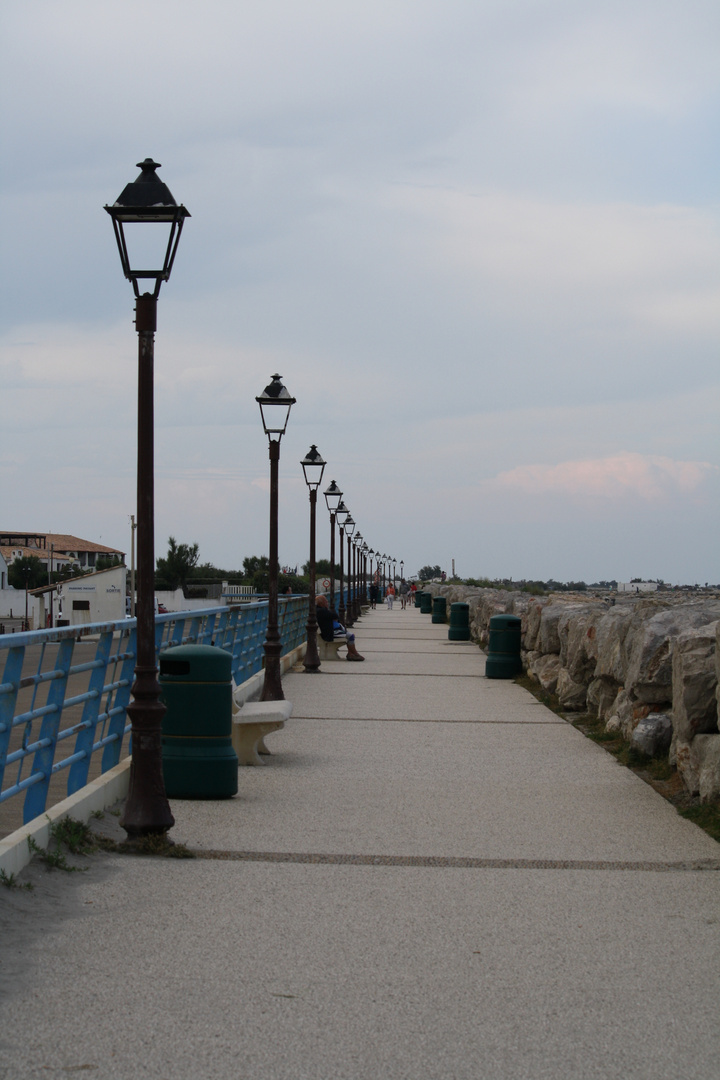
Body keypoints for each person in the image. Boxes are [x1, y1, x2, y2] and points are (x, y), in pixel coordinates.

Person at [315, 595, 365, 661]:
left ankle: (351, 654)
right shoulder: (322, 611)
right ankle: (354, 654)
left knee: (349, 634)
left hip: (328, 632)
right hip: (329, 634)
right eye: (326, 601)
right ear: (321, 603)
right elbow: (335, 615)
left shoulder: (318, 610)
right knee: (350, 636)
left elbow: (334, 616)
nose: (327, 602)